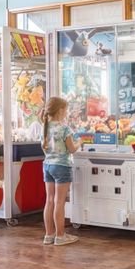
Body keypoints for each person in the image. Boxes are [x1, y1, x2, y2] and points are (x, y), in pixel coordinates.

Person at [41, 96, 79, 246]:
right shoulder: (64, 129)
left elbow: (44, 149)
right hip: (62, 166)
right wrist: (79, 142)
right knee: (59, 201)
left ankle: (49, 235)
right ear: (61, 110)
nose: (66, 113)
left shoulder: (44, 127)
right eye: (66, 110)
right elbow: (72, 149)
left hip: (47, 166)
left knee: (49, 200)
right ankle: (61, 236)